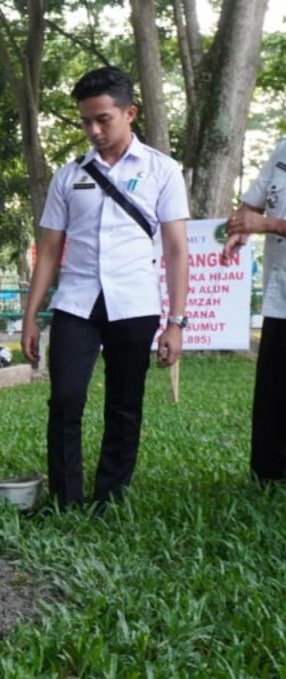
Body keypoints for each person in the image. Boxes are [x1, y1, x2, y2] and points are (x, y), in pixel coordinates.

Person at [20, 66, 188, 510]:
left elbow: (175, 251)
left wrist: (176, 323)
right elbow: (50, 251)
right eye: (85, 122)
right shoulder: (68, 176)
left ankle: (110, 497)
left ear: (129, 112)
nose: (93, 130)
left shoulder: (162, 171)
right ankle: (66, 499)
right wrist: (31, 316)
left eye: (103, 119)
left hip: (134, 303)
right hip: (77, 303)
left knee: (124, 404)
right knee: (66, 398)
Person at [223, 137, 286, 482]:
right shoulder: (283, 149)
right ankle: (269, 477)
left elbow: (266, 221)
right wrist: (241, 229)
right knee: (273, 397)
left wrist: (270, 225)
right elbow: (252, 205)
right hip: (280, 299)